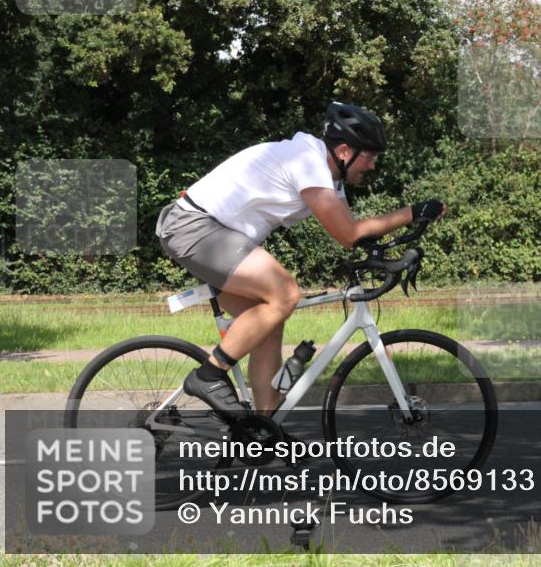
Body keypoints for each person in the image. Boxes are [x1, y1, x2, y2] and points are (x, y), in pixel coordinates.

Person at [155, 101, 445, 418]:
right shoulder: (308, 162)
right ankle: (208, 375)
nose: (372, 165)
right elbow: (348, 233)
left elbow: (354, 235)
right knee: (285, 293)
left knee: (269, 320)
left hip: (214, 234)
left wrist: (386, 255)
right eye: (370, 156)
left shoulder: (329, 178)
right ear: (346, 151)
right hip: (194, 227)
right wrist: (412, 213)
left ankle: (263, 428)